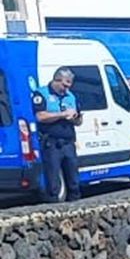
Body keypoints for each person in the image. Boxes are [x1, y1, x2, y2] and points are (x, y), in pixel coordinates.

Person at [32, 68, 82, 203]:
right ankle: (54, 209)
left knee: (74, 180)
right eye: (64, 85)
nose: (66, 89)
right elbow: (40, 116)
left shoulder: (70, 96)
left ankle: (75, 206)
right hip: (52, 143)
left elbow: (79, 121)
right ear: (56, 80)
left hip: (68, 142)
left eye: (69, 86)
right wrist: (62, 114)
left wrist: (75, 117)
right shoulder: (42, 94)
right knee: (53, 181)